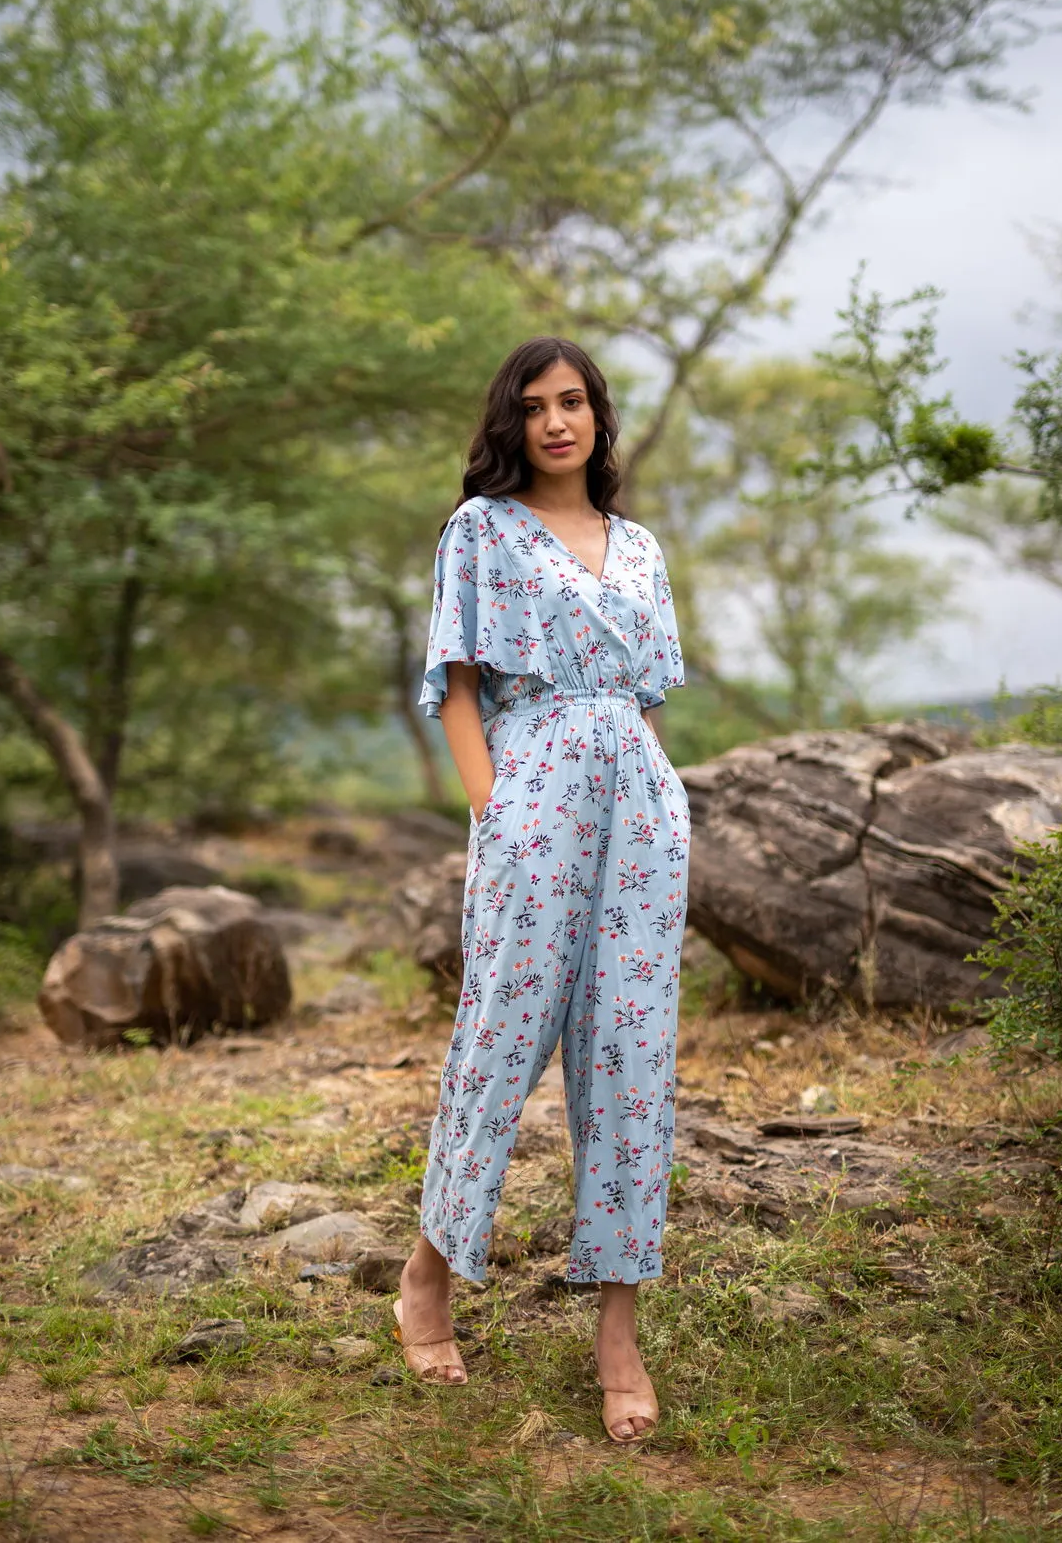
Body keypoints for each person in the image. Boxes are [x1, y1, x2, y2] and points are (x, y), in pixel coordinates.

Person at [393, 336, 691, 1443]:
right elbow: (457, 688)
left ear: (597, 417)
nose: (554, 421)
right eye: (532, 407)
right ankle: (427, 1278)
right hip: (530, 799)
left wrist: (661, 804)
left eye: (571, 402)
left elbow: (646, 701)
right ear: (509, 424)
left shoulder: (642, 548)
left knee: (628, 1057)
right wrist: (493, 809)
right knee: (501, 1041)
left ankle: (618, 1334)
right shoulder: (480, 532)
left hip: (640, 808)